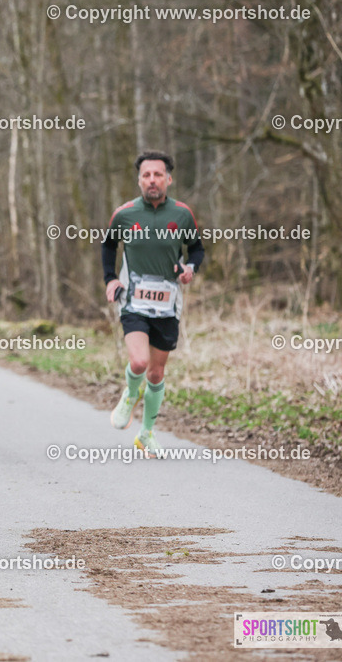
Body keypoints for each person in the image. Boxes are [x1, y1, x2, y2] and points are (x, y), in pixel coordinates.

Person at [102, 150, 205, 455]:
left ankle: (146, 433)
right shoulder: (125, 214)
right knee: (139, 362)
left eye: (158, 174)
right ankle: (129, 396)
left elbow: (197, 250)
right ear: (139, 180)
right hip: (133, 300)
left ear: (168, 179)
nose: (152, 180)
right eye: (146, 175)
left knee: (157, 374)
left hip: (168, 304)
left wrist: (190, 269)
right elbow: (108, 246)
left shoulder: (182, 214)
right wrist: (111, 278)